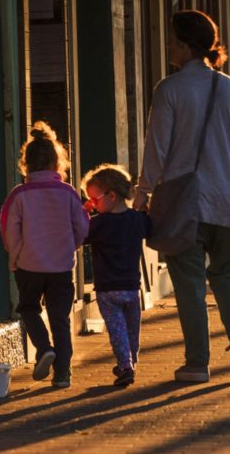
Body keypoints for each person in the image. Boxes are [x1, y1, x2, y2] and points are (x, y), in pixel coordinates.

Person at [134, 10, 230, 384]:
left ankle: (197, 363)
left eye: (172, 40)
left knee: (188, 282)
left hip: (184, 204)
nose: (169, 46)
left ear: (186, 45)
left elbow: (156, 151)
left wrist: (143, 195)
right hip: (229, 200)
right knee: (228, 271)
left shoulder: (169, 90)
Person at [0, 121, 89, 389]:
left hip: (29, 264)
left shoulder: (19, 195)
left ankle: (43, 348)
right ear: (57, 162)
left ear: (25, 163)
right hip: (61, 266)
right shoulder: (68, 193)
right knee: (60, 317)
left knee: (28, 309)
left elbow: (8, 230)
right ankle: (63, 373)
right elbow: (82, 227)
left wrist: (15, 256)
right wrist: (70, 246)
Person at [81, 164, 150, 387]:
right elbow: (152, 227)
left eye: (94, 199)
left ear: (111, 195)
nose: (92, 204)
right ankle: (130, 361)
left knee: (117, 330)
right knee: (132, 330)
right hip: (132, 287)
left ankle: (126, 366)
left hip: (107, 289)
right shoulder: (137, 220)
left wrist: (83, 213)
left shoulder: (98, 223)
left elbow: (79, 235)